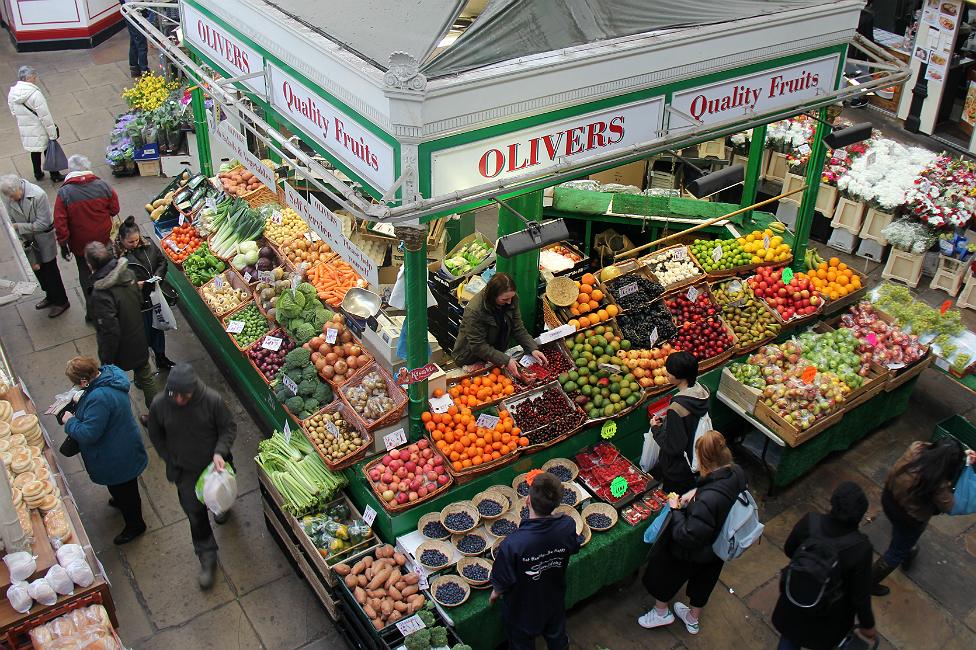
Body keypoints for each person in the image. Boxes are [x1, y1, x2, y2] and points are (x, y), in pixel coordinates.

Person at [639, 430, 745, 636]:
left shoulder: (708, 501)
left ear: (705, 462)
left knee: (666, 572)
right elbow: (718, 491)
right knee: (704, 582)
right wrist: (696, 493)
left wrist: (675, 508)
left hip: (696, 549)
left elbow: (687, 536)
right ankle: (692, 619)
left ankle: (661, 613)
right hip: (719, 544)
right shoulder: (736, 471)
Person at [147, 363, 237, 590]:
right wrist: (170, 459)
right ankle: (207, 556)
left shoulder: (212, 401)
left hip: (214, 466)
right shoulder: (160, 405)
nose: (179, 400)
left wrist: (220, 452)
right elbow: (156, 435)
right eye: (175, 395)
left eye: (184, 395)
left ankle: (222, 508)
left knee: (221, 495)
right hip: (185, 471)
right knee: (195, 515)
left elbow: (228, 428)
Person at [772, 482, 877, 650]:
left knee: (790, 639)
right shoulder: (861, 548)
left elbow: (789, 549)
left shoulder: (810, 521)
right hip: (828, 618)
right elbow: (860, 595)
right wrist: (868, 625)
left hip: (795, 602)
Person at [61, 356, 148, 545]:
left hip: (115, 455)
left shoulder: (99, 398)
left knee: (127, 491)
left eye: (76, 383)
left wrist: (70, 421)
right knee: (123, 487)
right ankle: (120, 499)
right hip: (123, 444)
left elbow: (89, 433)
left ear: (84, 381)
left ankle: (135, 524)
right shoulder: (111, 374)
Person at [490, 472, 581, 650]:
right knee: (557, 636)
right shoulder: (568, 525)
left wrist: (496, 592)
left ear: (527, 502)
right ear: (557, 503)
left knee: (521, 644)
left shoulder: (513, 544)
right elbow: (574, 546)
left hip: (522, 609)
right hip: (553, 598)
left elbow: (502, 579)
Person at [872, 438, 971, 596]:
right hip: (909, 518)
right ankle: (869, 583)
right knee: (896, 553)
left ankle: (908, 546)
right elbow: (948, 506)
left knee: (901, 534)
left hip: (890, 498)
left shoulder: (916, 448)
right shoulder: (939, 484)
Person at [85, 241, 159, 411]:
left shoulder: (101, 293)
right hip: (138, 334)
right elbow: (138, 301)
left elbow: (109, 330)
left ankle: (121, 413)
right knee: (145, 373)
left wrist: (106, 359)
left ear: (90, 265)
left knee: (115, 383)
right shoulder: (129, 274)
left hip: (120, 347)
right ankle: (157, 415)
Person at [54, 155, 119, 318]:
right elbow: (115, 209)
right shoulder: (103, 186)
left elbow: (60, 222)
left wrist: (63, 244)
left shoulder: (64, 193)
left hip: (81, 246)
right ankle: (114, 307)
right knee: (110, 271)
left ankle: (93, 312)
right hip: (104, 240)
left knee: (86, 275)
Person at [453, 273, 547, 378]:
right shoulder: (474, 311)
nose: (509, 302)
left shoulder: (511, 298)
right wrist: (505, 360)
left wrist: (532, 348)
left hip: (494, 354)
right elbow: (477, 345)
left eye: (511, 297)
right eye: (505, 299)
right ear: (492, 296)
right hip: (471, 357)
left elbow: (518, 328)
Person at [0, 174, 69, 317]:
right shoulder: (8, 195)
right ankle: (50, 296)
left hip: (43, 239)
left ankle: (61, 301)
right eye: (10, 197)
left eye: (13, 196)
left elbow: (43, 223)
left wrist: (18, 226)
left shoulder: (38, 195)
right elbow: (9, 218)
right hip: (28, 241)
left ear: (19, 188)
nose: (11, 199)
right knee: (38, 271)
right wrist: (19, 233)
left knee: (50, 271)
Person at [116, 216, 174, 370]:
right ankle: (142, 369)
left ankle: (161, 357)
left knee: (158, 328)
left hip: (154, 296)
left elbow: (162, 261)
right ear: (121, 239)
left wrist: (157, 277)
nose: (135, 244)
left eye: (136, 240)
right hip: (136, 303)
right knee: (141, 336)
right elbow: (115, 283)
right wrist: (134, 285)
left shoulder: (147, 243)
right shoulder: (115, 257)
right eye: (130, 242)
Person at [649, 351, 710, 495]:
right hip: (694, 458)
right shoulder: (701, 393)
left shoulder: (676, 408)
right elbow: (689, 421)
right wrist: (667, 421)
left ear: (681, 377)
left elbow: (673, 447)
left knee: (675, 501)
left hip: (679, 469)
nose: (666, 374)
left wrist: (655, 429)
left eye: (670, 372)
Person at [7, 66, 64, 182]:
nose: (35, 79)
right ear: (28, 78)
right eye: (34, 77)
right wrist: (52, 133)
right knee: (49, 149)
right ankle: (55, 174)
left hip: (26, 128)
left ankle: (38, 173)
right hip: (39, 127)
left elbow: (13, 112)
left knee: (34, 150)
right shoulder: (35, 94)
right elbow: (45, 116)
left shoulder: (12, 93)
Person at [119, 1, 149, 78]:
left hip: (129, 10)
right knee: (141, 43)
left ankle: (134, 68)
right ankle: (144, 70)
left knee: (134, 41)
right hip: (134, 11)